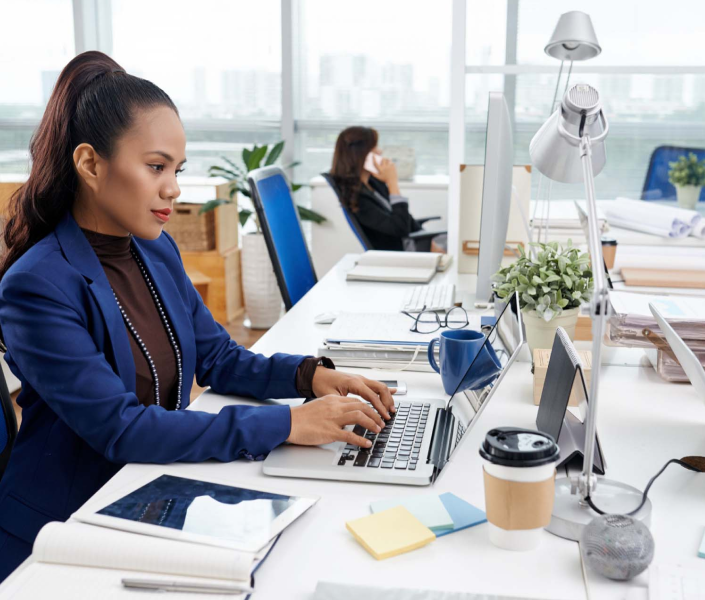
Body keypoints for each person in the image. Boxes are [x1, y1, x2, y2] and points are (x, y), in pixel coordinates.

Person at [0, 52, 394, 580]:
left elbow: (216, 356)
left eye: (177, 170)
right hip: (66, 528)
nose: (174, 189)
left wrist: (310, 376)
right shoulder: (37, 285)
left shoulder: (154, 250)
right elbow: (121, 429)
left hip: (147, 494)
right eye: (155, 167)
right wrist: (289, 422)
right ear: (91, 164)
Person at [330, 126, 423, 251]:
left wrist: (426, 238)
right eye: (374, 148)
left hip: (417, 241)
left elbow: (405, 218)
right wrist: (392, 182)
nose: (379, 152)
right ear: (361, 153)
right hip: (405, 250)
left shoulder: (373, 182)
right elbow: (399, 228)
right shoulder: (358, 198)